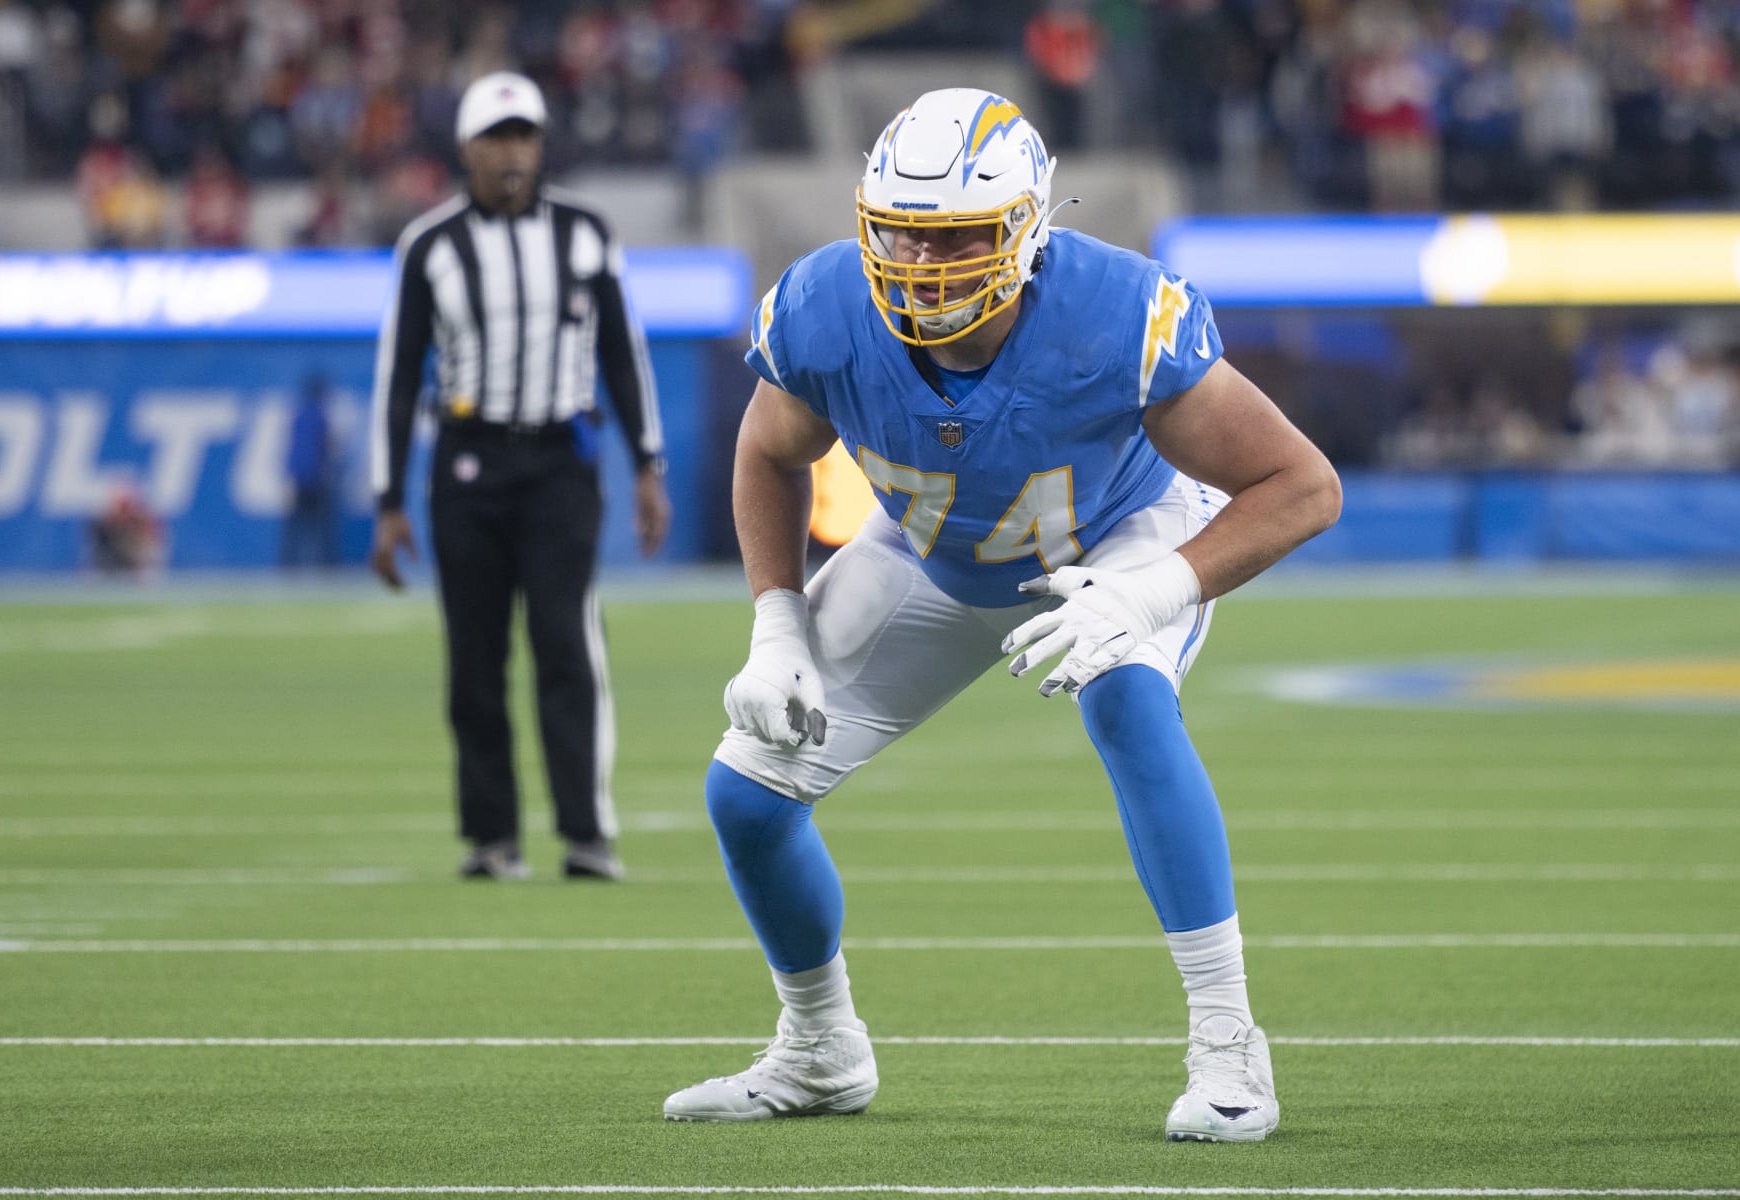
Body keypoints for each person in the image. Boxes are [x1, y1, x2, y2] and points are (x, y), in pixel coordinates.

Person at [661, 89, 1341, 1142]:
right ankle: (820, 1048)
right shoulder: (825, 305)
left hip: (1115, 538)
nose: (926, 267)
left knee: (1126, 700)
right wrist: (776, 625)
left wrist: (1151, 591)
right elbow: (766, 449)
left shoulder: (1116, 312)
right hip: (929, 553)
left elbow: (1303, 485)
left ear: (1026, 229)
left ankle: (1227, 1041)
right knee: (746, 794)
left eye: (960, 238)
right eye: (904, 236)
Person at [369, 71, 671, 883]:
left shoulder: (583, 230)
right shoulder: (429, 244)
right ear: (466, 148)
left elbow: (621, 350)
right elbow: (399, 374)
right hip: (466, 466)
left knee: (567, 642)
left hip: (560, 465)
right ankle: (491, 837)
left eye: (524, 135)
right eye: (497, 137)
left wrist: (648, 463)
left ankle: (586, 831)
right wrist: (389, 498)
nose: (513, 152)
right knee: (474, 655)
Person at [281, 373, 340, 570]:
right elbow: (328, 447)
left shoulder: (297, 416)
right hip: (316, 480)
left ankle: (288, 568)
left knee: (295, 529)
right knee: (322, 529)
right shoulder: (321, 418)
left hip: (298, 480)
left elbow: (293, 451)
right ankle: (327, 567)